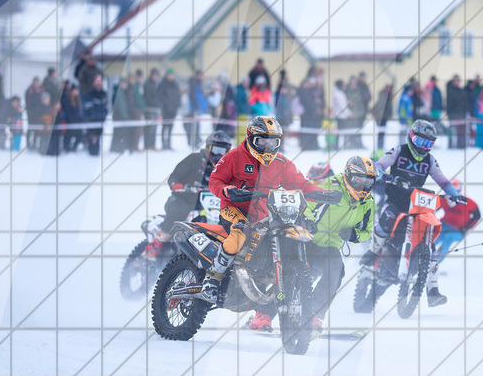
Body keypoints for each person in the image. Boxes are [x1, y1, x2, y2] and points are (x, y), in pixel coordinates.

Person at [201, 117, 324, 326]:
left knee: (286, 232)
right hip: (234, 208)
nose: (268, 147)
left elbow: (303, 184)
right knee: (239, 232)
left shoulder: (282, 164)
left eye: (273, 142)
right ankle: (212, 279)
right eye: (262, 141)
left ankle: (266, 275)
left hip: (265, 212)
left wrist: (325, 194)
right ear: (250, 138)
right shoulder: (234, 157)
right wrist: (227, 190)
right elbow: (215, 180)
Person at [366, 119, 464, 307]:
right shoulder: (398, 151)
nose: (423, 148)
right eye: (421, 142)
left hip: (416, 204)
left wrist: (455, 194)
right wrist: (380, 174)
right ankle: (372, 252)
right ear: (411, 137)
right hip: (395, 200)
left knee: (430, 243)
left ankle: (433, 290)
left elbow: (443, 181)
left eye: (428, 144)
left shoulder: (430, 160)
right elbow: (380, 165)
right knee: (386, 220)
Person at [301, 155, 378, 337]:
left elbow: (366, 231)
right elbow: (306, 205)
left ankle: (315, 315)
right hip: (308, 240)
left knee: (336, 270)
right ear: (349, 175)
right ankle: (263, 315)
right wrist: (309, 223)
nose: (363, 185)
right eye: (359, 180)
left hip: (330, 247)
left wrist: (353, 234)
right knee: (293, 276)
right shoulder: (331, 185)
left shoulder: (368, 203)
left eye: (368, 181)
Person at [151, 130, 234, 255]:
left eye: (223, 151)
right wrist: (177, 185)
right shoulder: (194, 159)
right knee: (179, 211)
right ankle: (155, 245)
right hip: (186, 200)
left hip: (212, 205)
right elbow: (174, 177)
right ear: (207, 147)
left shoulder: (228, 168)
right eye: (215, 150)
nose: (218, 155)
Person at [433, 178, 481, 262]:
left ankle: (436, 262)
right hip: (444, 225)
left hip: (458, 231)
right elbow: (433, 210)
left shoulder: (468, 203)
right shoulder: (442, 200)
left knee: (447, 238)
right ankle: (423, 257)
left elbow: (477, 216)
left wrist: (466, 228)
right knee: (435, 237)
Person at [82, 75, 109, 156]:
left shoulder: (103, 93)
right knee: (92, 136)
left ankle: (96, 151)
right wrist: (93, 116)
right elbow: (87, 107)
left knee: (98, 136)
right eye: (97, 84)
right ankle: (91, 150)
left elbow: (105, 107)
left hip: (100, 120)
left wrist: (103, 115)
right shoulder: (89, 93)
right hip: (92, 120)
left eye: (100, 84)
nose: (99, 85)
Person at [158, 70, 180, 150]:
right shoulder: (163, 84)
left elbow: (178, 96)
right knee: (164, 127)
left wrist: (176, 106)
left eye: (172, 75)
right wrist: (167, 105)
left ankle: (169, 143)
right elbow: (161, 97)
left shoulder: (175, 84)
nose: (171, 76)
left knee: (170, 127)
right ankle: (163, 143)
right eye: (169, 75)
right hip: (165, 110)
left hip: (173, 110)